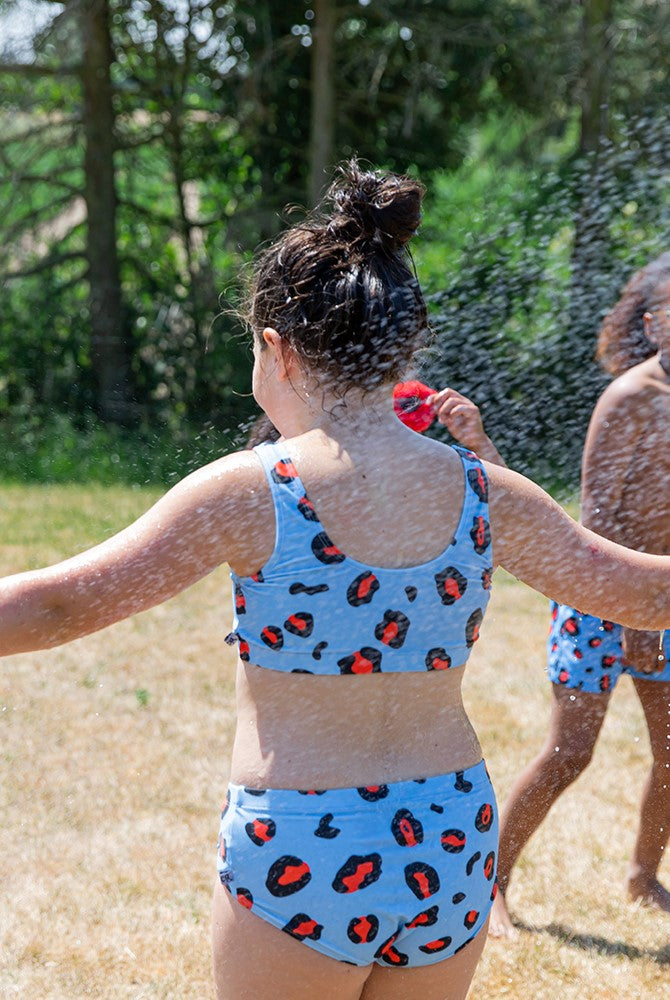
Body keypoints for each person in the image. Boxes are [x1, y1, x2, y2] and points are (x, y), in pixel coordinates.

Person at [3, 163, 670, 1000]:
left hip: (306, 840)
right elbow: (648, 592)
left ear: (277, 350)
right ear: (404, 351)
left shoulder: (254, 490)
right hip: (450, 837)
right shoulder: (485, 491)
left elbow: (60, 602)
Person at [490, 252, 670, 938]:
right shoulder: (630, 397)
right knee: (571, 751)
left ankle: (643, 875)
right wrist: (626, 613)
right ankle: (493, 885)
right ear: (653, 325)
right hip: (602, 593)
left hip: (664, 597)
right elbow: (595, 520)